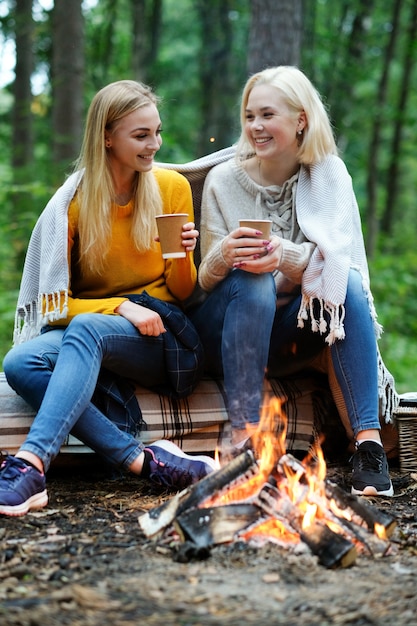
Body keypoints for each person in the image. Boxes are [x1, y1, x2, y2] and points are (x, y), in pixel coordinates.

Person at [0, 79, 216, 517]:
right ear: (106, 136)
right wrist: (119, 306)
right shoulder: (72, 206)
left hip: (161, 335)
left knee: (87, 328)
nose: (154, 144)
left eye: (156, 132)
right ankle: (143, 460)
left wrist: (182, 256)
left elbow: (183, 292)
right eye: (141, 135)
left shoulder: (172, 188)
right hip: (101, 328)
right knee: (20, 363)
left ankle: (31, 463)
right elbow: (55, 306)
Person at [189, 66, 398, 497]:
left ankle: (368, 447)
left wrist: (281, 255)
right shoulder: (222, 181)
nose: (255, 126)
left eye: (267, 115)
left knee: (350, 286)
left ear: (301, 119)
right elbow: (200, 285)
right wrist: (225, 255)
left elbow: (335, 263)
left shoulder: (329, 176)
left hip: (291, 335)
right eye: (249, 116)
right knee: (252, 281)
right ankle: (247, 437)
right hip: (226, 333)